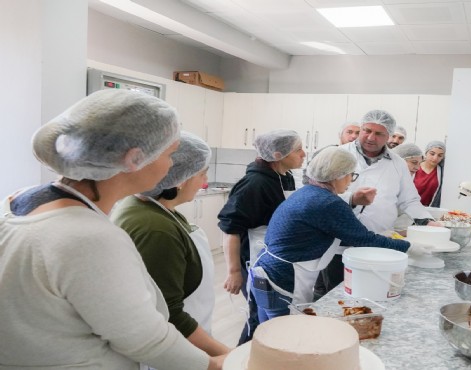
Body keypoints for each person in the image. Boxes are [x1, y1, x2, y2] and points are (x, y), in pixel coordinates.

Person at [0, 90, 223, 369]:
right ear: (135, 159)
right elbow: (146, 340)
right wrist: (218, 366)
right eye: (170, 154)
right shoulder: (88, 238)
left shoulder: (20, 200)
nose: (171, 166)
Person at [250, 146, 430, 322]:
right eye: (351, 175)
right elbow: (363, 239)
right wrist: (408, 247)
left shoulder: (309, 192)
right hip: (284, 278)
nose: (351, 181)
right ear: (339, 176)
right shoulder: (328, 202)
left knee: (267, 333)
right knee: (284, 338)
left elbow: (343, 231)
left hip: (267, 272)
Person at [111, 131, 231, 359]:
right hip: (175, 352)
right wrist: (225, 355)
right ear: (180, 178)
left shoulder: (151, 208)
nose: (204, 183)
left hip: (186, 343)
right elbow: (168, 313)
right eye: (202, 175)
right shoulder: (154, 228)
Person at [314, 110, 443, 297]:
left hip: (379, 241)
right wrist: (352, 198)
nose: (370, 137)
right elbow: (317, 195)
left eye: (379, 133)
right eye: (366, 130)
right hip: (338, 243)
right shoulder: (338, 155)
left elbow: (410, 199)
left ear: (388, 136)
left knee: (373, 295)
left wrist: (428, 222)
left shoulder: (397, 163)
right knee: (335, 296)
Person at [217, 129, 305, 345]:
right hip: (254, 262)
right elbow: (231, 229)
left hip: (273, 259)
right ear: (278, 155)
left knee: (267, 317)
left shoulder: (285, 177)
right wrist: (234, 272)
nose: (304, 153)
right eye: (298, 149)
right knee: (258, 318)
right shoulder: (254, 184)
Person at [391, 143, 425, 232]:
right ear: (398, 160)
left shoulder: (406, 180)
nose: (417, 168)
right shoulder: (385, 181)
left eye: (420, 164)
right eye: (414, 162)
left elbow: (410, 202)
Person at [414, 140, 446, 207]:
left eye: (440, 155)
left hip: (430, 211)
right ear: (426, 153)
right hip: (409, 209)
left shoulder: (442, 173)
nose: (435, 158)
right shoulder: (414, 169)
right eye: (432, 154)